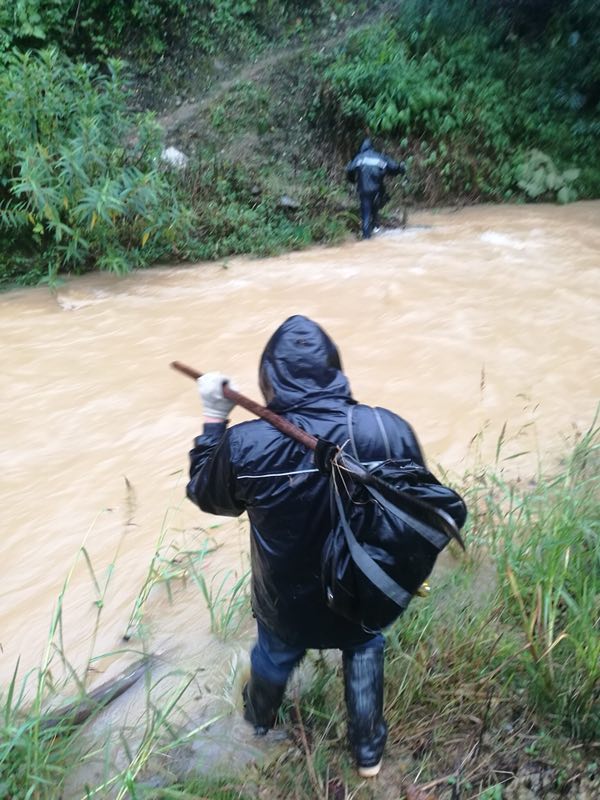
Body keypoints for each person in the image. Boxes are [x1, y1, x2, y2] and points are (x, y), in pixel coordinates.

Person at [186, 314, 427, 778]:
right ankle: (368, 755)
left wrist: (215, 418)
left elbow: (205, 493)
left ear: (268, 379)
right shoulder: (387, 428)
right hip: (363, 593)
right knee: (364, 646)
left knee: (274, 654)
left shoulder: (246, 444)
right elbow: (417, 506)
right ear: (336, 370)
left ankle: (256, 727)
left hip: (285, 604)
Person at [346, 137, 406, 239]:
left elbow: (349, 170)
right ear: (371, 147)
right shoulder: (380, 157)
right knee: (375, 209)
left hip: (364, 191)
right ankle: (375, 228)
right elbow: (393, 168)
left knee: (366, 215)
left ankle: (366, 239)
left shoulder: (359, 158)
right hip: (377, 191)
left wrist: (353, 180)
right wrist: (401, 169)